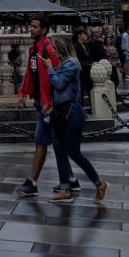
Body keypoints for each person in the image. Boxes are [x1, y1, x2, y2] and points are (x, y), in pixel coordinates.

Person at [39, 35, 108, 204]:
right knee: (58, 150)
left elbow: (60, 83)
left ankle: (99, 183)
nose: (52, 51)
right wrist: (51, 105)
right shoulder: (62, 64)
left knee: (73, 151)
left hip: (71, 114)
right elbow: (60, 91)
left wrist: (49, 68)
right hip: (59, 113)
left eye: (54, 48)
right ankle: (64, 189)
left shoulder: (71, 64)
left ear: (62, 48)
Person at [16, 14, 77, 197]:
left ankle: (32, 182)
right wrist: (23, 92)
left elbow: (56, 78)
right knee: (57, 143)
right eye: (31, 26)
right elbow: (30, 72)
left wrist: (50, 102)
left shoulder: (49, 49)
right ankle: (71, 180)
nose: (31, 29)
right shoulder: (33, 48)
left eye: (34, 27)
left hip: (47, 104)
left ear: (44, 30)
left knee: (41, 140)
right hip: (39, 101)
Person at [73, 28, 91, 103]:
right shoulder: (76, 46)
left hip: (88, 71)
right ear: (79, 36)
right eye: (84, 34)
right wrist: (88, 64)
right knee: (81, 88)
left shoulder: (85, 46)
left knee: (90, 88)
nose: (86, 35)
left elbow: (89, 57)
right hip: (81, 72)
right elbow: (77, 60)